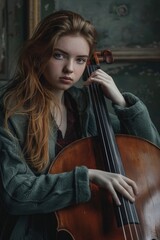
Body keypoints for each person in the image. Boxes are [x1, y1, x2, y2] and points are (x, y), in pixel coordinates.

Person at [0, 10, 160, 240]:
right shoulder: (11, 112)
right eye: (59, 55)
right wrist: (88, 177)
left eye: (80, 60)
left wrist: (122, 102)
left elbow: (148, 155)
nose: (69, 69)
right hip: (36, 232)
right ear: (38, 55)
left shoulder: (84, 105)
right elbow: (15, 193)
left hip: (88, 228)